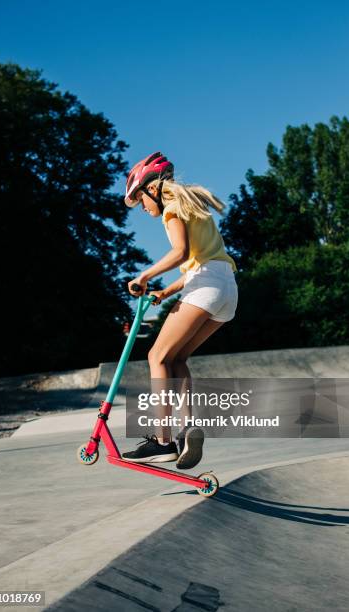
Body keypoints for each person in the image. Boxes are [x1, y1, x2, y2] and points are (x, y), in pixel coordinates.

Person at [122, 151, 238, 469]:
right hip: (225, 289)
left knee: (156, 357)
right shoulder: (192, 206)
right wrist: (164, 292)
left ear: (152, 188)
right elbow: (197, 265)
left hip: (205, 287)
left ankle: (161, 441)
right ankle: (188, 429)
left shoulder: (171, 208)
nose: (144, 209)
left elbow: (180, 252)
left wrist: (144, 276)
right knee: (177, 359)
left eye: (140, 199)